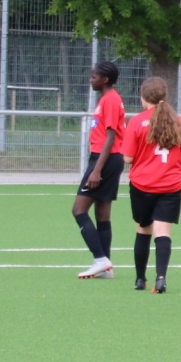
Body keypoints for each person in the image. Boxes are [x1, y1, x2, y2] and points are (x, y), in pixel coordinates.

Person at [124, 76, 181, 293]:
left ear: (143, 97)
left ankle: (140, 279)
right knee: (163, 232)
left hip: (143, 184)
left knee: (143, 229)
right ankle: (161, 278)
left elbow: (128, 158)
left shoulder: (136, 121)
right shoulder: (177, 120)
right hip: (170, 185)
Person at [73, 61, 127, 279]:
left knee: (78, 210)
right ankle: (107, 267)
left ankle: (100, 259)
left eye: (94, 77)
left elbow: (111, 137)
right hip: (107, 158)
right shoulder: (106, 99)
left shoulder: (111, 100)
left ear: (105, 80)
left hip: (105, 159)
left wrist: (97, 170)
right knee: (102, 213)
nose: (90, 80)